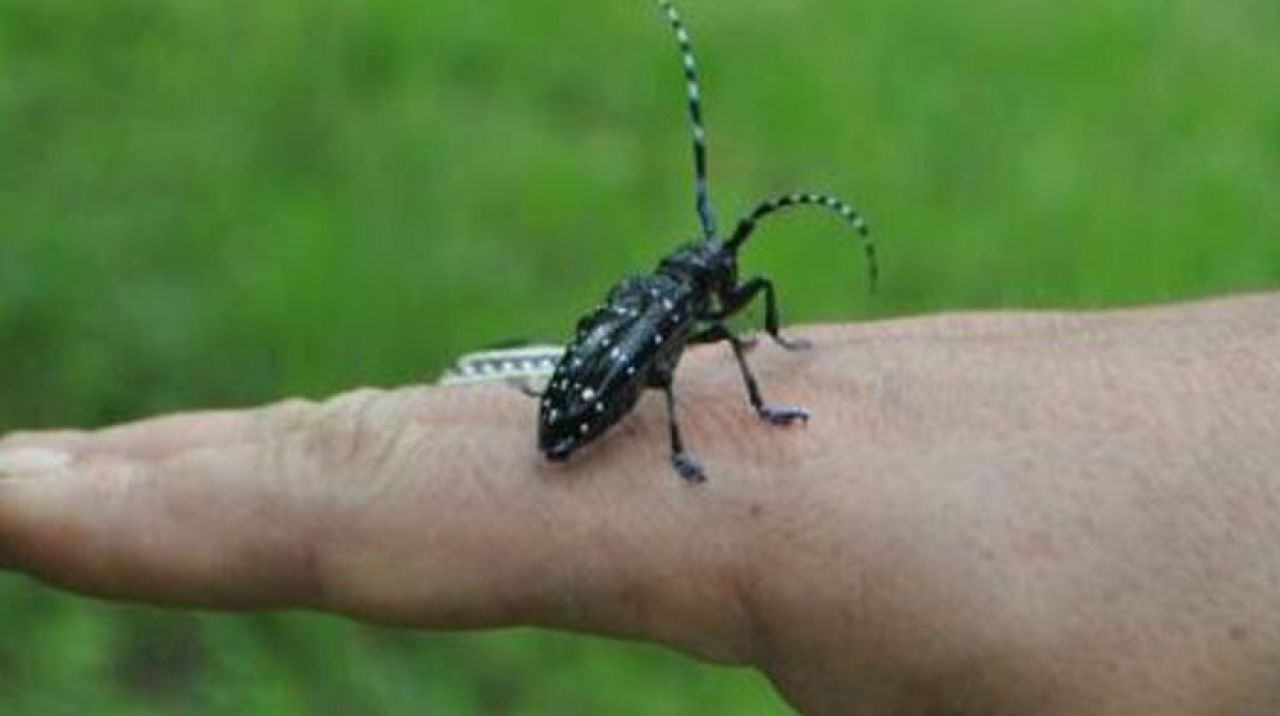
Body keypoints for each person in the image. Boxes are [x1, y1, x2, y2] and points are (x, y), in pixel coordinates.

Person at [1, 292, 1277, 714]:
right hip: (586, 400)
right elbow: (666, 368)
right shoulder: (680, 329)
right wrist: (704, 425)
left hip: (582, 388)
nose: (723, 293)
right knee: (675, 381)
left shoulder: (680, 304)